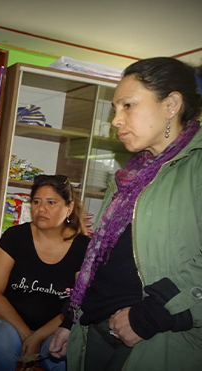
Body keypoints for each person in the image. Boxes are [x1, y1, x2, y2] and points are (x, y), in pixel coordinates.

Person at [49, 58, 202, 370]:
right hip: (96, 328)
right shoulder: (130, 177)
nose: (116, 120)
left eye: (127, 105)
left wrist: (149, 317)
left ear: (171, 104)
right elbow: (104, 261)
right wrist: (71, 320)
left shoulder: (196, 169)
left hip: (156, 338)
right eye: (114, 109)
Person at [0, 175, 89, 371]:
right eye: (36, 202)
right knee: (1, 343)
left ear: (69, 208)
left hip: (56, 329)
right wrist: (26, 335)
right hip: (6, 323)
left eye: (51, 202)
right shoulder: (15, 237)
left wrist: (37, 337)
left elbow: (78, 303)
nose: (41, 208)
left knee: (66, 356)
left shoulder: (83, 247)